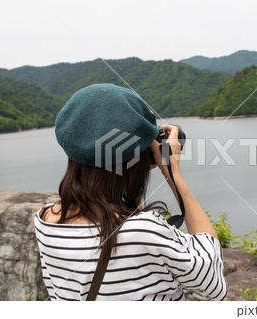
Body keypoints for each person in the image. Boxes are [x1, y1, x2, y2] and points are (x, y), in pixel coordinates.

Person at [34, 83, 227, 301]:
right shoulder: (144, 231)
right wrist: (173, 174)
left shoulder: (45, 219)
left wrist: (129, 177)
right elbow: (213, 280)